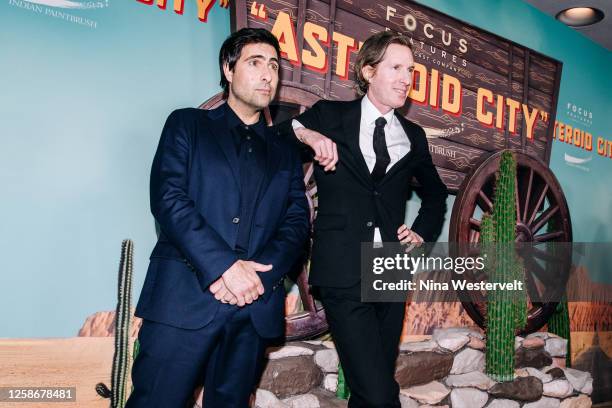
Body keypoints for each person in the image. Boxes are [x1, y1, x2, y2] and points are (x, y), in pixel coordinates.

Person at [126, 28, 309, 408]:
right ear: (228, 69)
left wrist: (257, 278)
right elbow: (168, 199)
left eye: (274, 66)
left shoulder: (286, 152)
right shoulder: (186, 124)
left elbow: (296, 224)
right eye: (255, 62)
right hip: (183, 301)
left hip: (253, 308)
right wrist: (226, 268)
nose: (267, 75)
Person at [289, 31, 448, 407]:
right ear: (368, 70)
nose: (406, 78)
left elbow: (436, 194)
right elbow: (281, 134)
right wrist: (309, 135)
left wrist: (421, 232)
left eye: (410, 70)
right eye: (396, 68)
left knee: (368, 387)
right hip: (342, 269)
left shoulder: (413, 136)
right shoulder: (331, 115)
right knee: (379, 392)